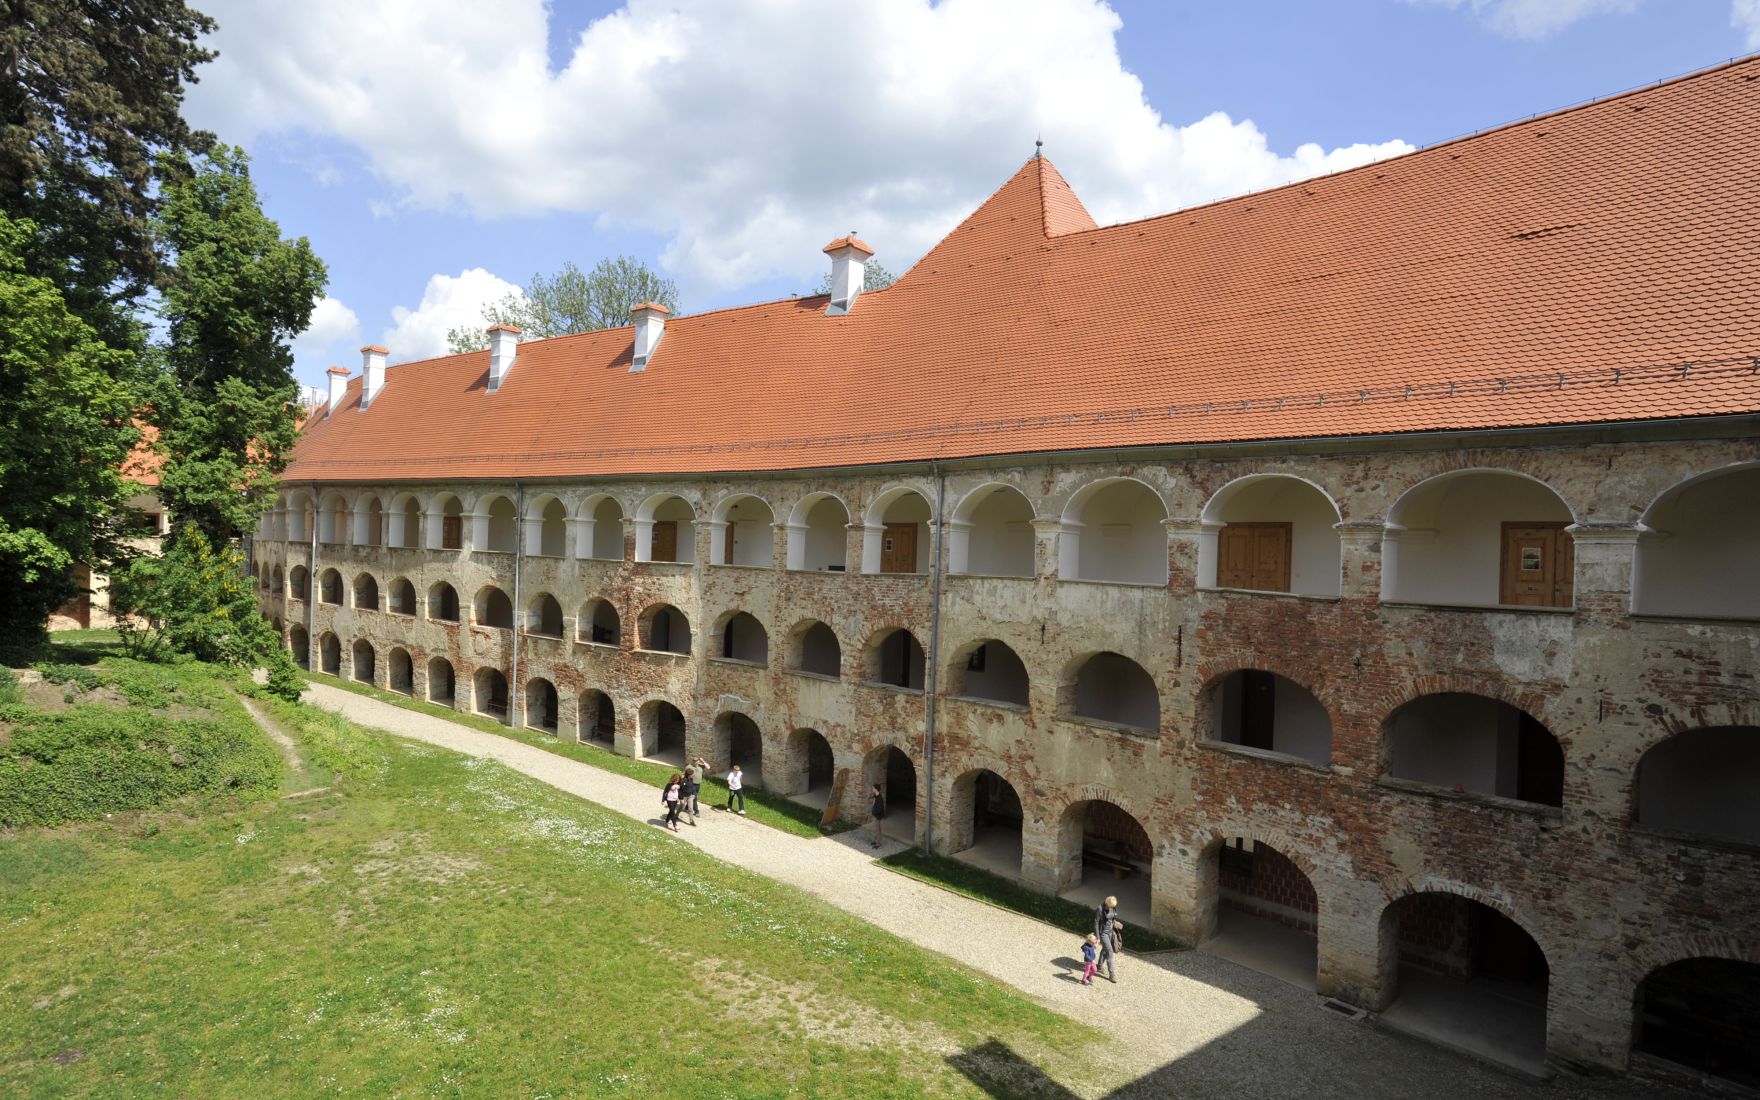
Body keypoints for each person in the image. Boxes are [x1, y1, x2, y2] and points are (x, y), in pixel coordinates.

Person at [1093, 896, 1120, 983]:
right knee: (1110, 952)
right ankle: (1112, 974)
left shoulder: (1113, 907)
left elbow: (1113, 918)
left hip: (1110, 931)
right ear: (1107, 904)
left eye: (1113, 907)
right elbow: (1096, 923)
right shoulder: (1100, 909)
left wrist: (1115, 924)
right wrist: (1097, 937)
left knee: (1105, 950)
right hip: (1103, 933)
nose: (1112, 908)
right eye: (1111, 906)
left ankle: (1099, 967)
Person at [868, 783, 886, 849]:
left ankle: (878, 843)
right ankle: (875, 841)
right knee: (875, 829)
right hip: (875, 815)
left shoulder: (879, 798)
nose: (872, 789)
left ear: (875, 789)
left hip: (877, 816)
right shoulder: (876, 796)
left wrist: (874, 813)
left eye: (873, 788)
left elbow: (880, 809)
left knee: (878, 829)